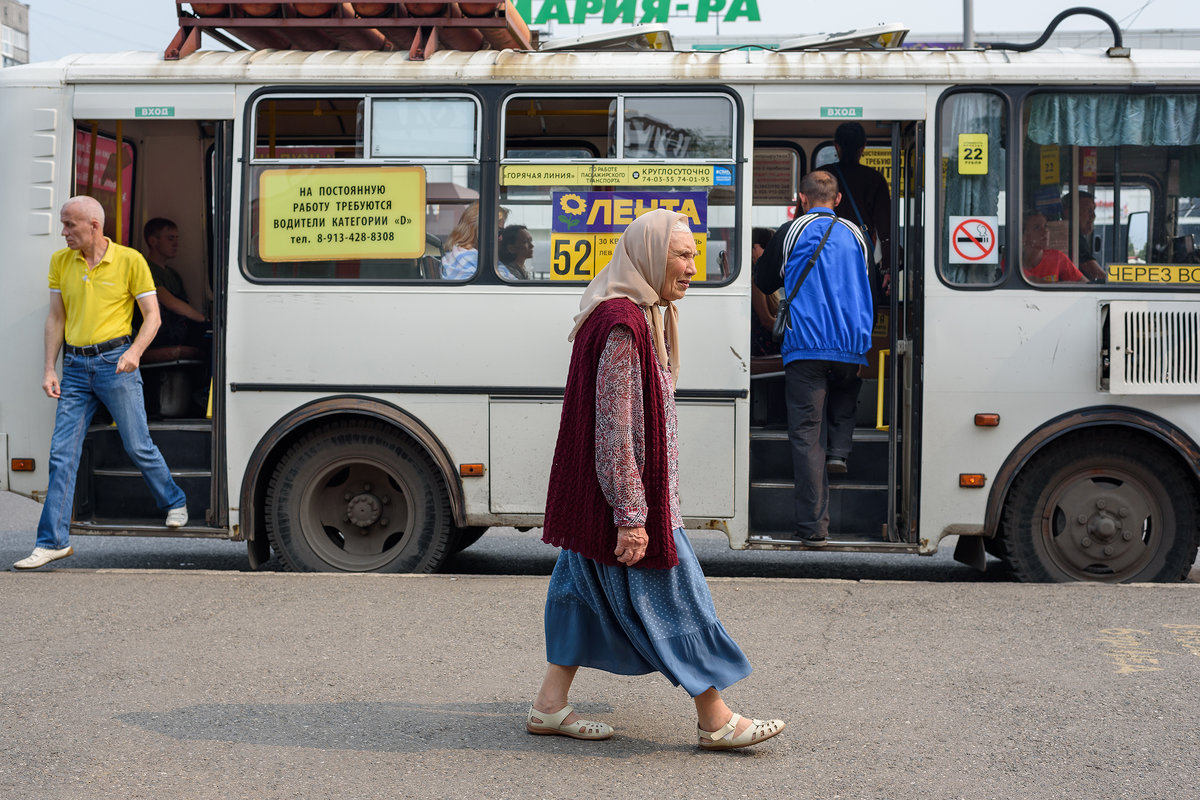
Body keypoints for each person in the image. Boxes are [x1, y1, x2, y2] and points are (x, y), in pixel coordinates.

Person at [530, 208, 785, 751]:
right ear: (648, 256)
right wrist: (632, 518)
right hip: (630, 502)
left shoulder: (634, 313)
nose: (696, 266)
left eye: (695, 254)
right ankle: (715, 719)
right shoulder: (623, 325)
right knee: (677, 596)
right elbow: (615, 432)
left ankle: (549, 706)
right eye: (683, 255)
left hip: (605, 500)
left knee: (579, 589)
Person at [14, 197, 188, 570]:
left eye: (69, 225)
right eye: (63, 224)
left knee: (137, 444)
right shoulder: (61, 262)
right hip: (76, 367)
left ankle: (174, 500)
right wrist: (49, 368)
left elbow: (152, 317)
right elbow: (56, 319)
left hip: (117, 363)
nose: (63, 232)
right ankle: (52, 542)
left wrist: (135, 352)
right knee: (62, 455)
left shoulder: (129, 260)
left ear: (94, 225)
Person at [754, 171, 873, 546]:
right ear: (837, 200)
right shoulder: (857, 234)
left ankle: (812, 528)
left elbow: (765, 281)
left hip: (805, 346)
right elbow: (866, 280)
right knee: (844, 395)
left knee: (806, 437)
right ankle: (839, 450)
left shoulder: (791, 231)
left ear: (801, 198)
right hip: (851, 343)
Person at [816, 121, 891, 298]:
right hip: (860, 256)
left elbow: (803, 219)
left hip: (822, 255)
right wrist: (888, 267)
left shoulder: (821, 176)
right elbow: (886, 227)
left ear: (836, 146)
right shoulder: (875, 179)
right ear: (863, 146)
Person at [142, 217, 208, 349]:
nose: (176, 243)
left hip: (176, 327)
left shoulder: (174, 274)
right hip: (160, 330)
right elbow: (171, 303)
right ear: (153, 241)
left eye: (177, 238)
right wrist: (203, 320)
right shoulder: (145, 269)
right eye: (170, 239)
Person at [440, 202, 510, 280]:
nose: (501, 238)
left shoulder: (477, 258)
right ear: (479, 230)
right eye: (498, 232)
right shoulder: (467, 258)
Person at [1022, 211, 1086, 284]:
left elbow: (1084, 284)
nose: (1045, 231)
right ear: (1023, 236)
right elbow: (1030, 282)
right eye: (1037, 228)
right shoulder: (1010, 262)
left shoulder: (1057, 257)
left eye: (1045, 226)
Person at [1061, 191, 1106, 282]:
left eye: (1093, 211)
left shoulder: (1073, 235)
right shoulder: (1073, 238)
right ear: (1068, 213)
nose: (1093, 216)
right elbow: (1098, 274)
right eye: (1088, 210)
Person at [748, 226, 779, 358]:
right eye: (769, 248)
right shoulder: (756, 280)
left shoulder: (762, 277)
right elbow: (766, 320)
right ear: (755, 249)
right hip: (763, 348)